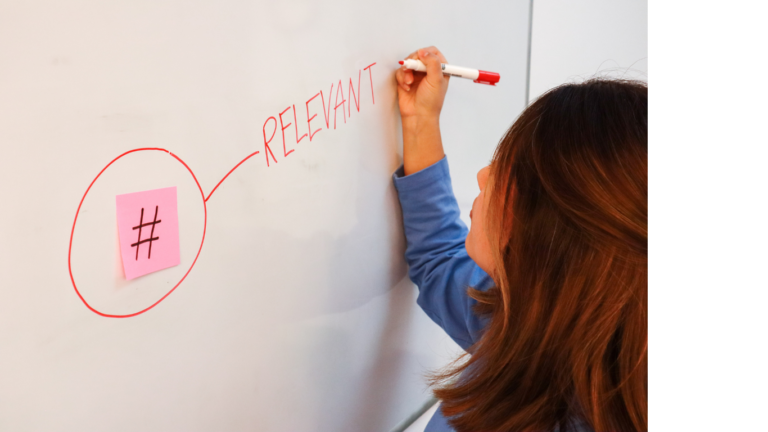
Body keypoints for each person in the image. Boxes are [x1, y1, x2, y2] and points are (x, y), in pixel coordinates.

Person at [393, 47, 647, 432]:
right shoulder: (537, 320)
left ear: (544, 229)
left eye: (507, 172)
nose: (482, 175)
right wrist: (420, 121)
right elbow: (440, 259)